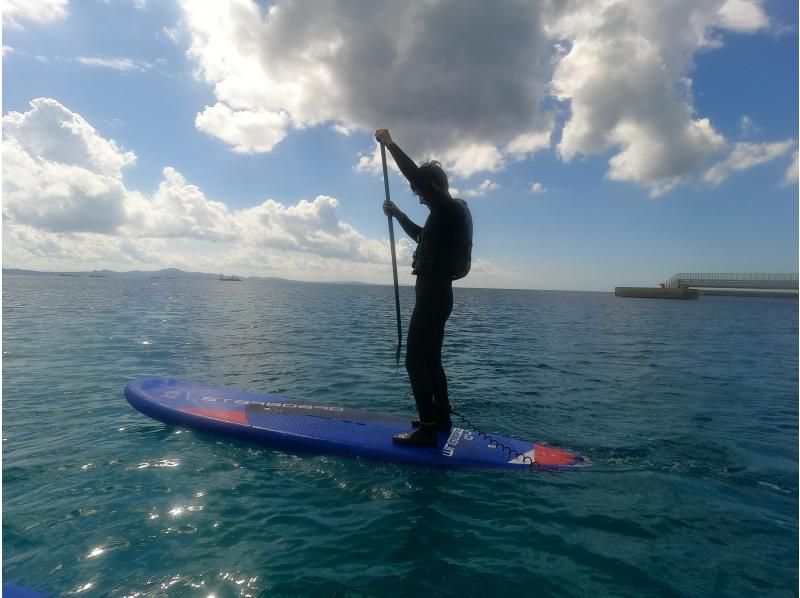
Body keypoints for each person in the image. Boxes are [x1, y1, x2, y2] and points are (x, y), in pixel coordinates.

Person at [375, 128, 473, 447]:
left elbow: (415, 177)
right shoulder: (442, 218)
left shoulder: (448, 209)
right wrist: (398, 214)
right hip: (436, 296)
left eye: (421, 191)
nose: (418, 195)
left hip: (432, 298)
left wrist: (390, 145)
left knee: (415, 361)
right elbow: (421, 236)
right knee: (430, 359)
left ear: (433, 187)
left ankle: (427, 430)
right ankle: (439, 418)